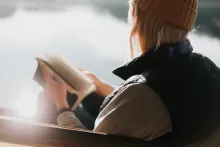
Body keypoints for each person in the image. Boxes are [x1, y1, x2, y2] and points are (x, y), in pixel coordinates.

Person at [40, 0, 220, 146]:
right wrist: (105, 88)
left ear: (139, 20)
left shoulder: (141, 93)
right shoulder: (209, 70)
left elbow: (146, 103)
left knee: (46, 100)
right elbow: (168, 104)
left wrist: (61, 105)